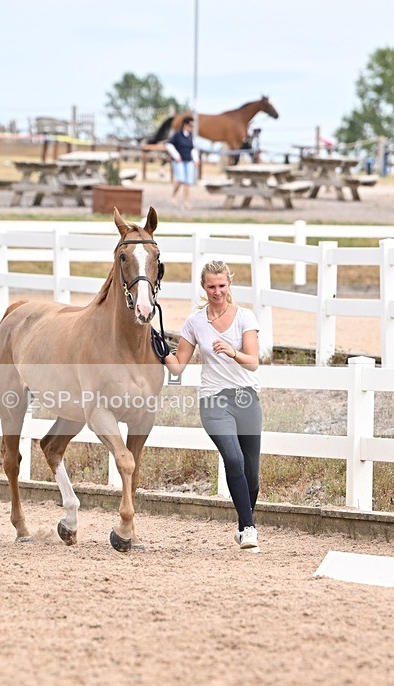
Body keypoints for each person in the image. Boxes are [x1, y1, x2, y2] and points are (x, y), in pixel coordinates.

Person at [162, 260, 263, 553]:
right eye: (211, 287)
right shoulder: (195, 322)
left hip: (246, 399)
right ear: (203, 288)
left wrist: (232, 352)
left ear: (229, 284)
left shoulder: (245, 317)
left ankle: (245, 521)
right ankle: (248, 529)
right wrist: (158, 348)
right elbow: (178, 367)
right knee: (234, 460)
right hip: (213, 400)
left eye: (221, 285)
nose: (217, 291)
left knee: (252, 473)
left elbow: (253, 362)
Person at [166, 115, 199, 209]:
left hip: (188, 160)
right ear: (185, 125)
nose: (192, 128)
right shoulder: (177, 135)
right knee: (180, 179)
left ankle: (186, 201)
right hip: (179, 160)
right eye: (190, 126)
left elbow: (192, 149)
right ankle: (174, 195)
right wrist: (176, 156)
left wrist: (196, 159)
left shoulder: (191, 136)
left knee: (188, 181)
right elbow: (169, 145)